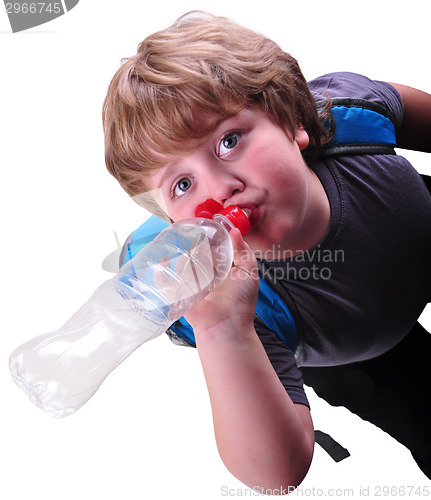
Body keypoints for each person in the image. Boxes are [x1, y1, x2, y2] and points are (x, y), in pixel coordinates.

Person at [102, 11, 431, 490]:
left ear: (295, 122)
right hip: (358, 355)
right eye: (183, 184)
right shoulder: (234, 304)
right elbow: (278, 474)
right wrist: (221, 329)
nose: (220, 189)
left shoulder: (350, 115)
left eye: (228, 141)